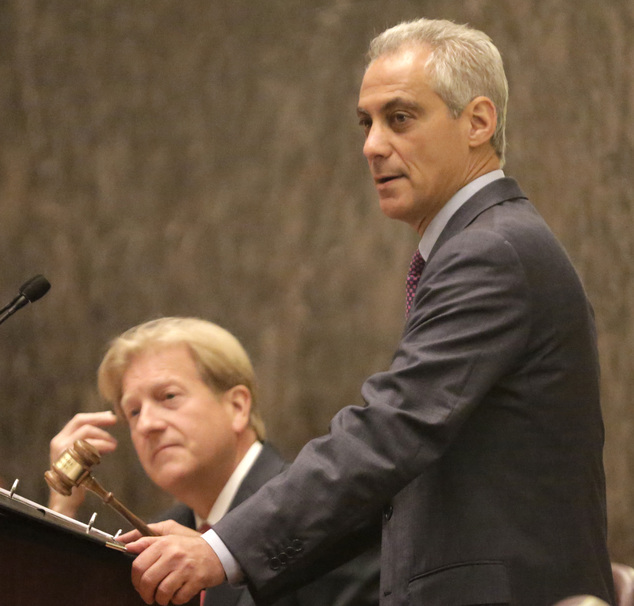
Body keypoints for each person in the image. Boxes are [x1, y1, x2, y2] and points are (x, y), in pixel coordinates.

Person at [123, 17, 616, 606]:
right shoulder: (483, 246)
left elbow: (391, 430)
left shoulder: (493, 251)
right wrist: (229, 555)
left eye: (400, 118)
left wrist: (220, 548)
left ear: (478, 122)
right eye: (367, 122)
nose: (372, 145)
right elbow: (400, 469)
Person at [48, 317, 380, 606]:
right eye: (133, 411)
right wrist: (60, 511)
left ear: (237, 407)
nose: (147, 424)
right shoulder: (161, 534)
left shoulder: (315, 512)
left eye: (168, 397)